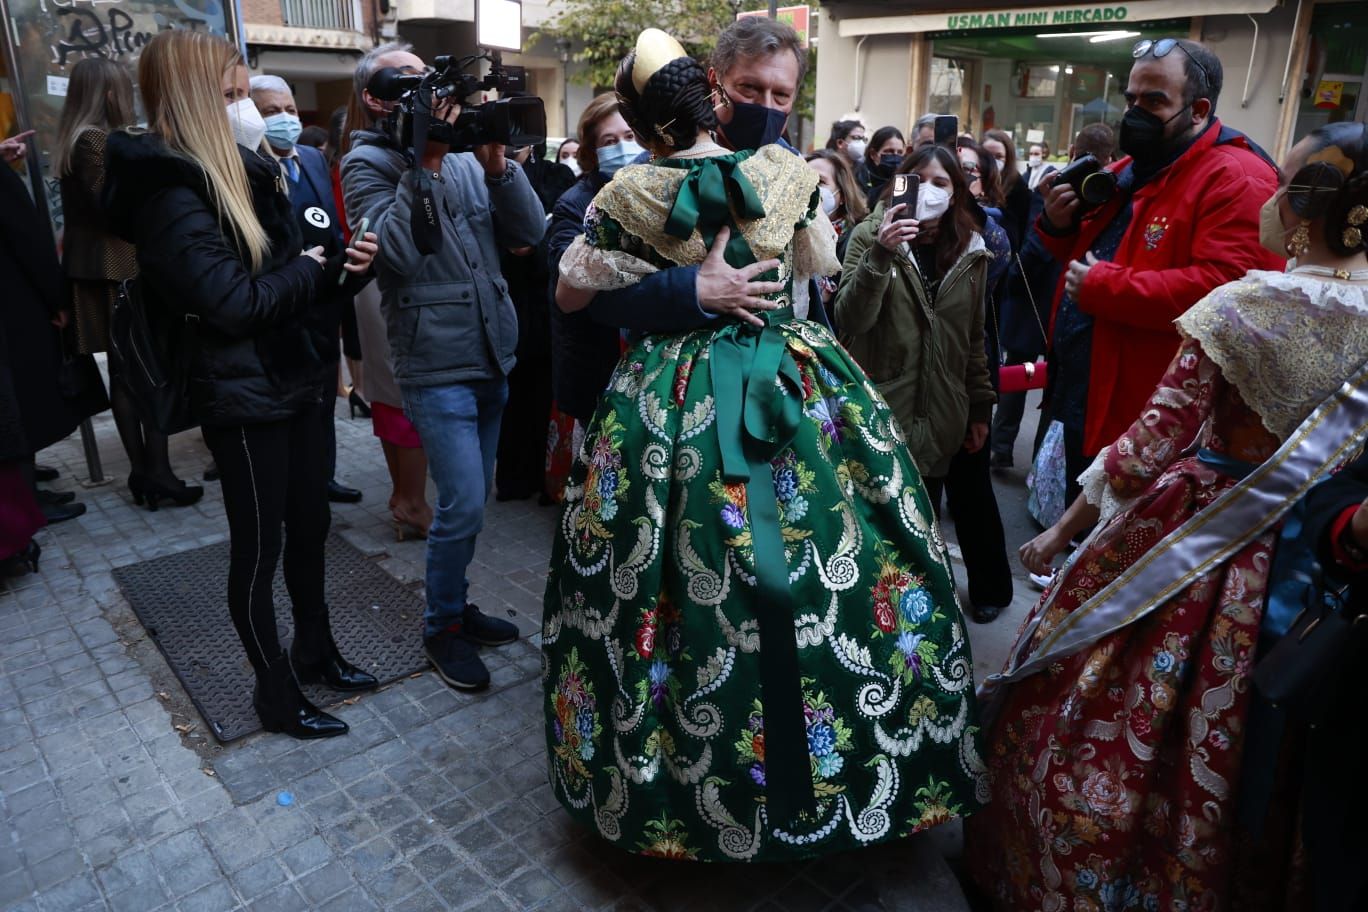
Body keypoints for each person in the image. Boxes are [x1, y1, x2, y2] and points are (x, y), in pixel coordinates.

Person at [545, 28, 984, 863]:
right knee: (695, 571)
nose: (769, 109)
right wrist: (688, 288)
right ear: (715, 85)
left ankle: (791, 778)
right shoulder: (655, 185)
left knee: (799, 566)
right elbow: (571, 292)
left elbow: (812, 270)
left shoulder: (736, 178)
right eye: (755, 90)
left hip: (757, 391)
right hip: (717, 397)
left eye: (785, 97)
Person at [967, 119, 1368, 911]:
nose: (1271, 198)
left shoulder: (1242, 306)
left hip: (1205, 545)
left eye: (1284, 185)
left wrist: (1063, 527)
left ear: (1307, 207)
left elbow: (1156, 436)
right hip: (1325, 573)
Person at [104, 29, 379, 738]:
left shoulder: (245, 169)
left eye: (245, 92)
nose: (249, 108)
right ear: (194, 100)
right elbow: (233, 303)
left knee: (312, 528)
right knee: (258, 551)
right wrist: (313, 269)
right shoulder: (170, 192)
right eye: (230, 96)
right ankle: (275, 690)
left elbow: (289, 277)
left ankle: (316, 649)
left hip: (299, 380)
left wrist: (348, 268)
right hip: (242, 396)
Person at [342, 42, 544, 691]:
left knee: (472, 502)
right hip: (433, 363)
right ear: (374, 97)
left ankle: (455, 607)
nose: (424, 89)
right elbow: (398, 253)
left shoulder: (464, 158)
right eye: (405, 81)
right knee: (459, 503)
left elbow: (530, 233)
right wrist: (426, 162)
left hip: (491, 350)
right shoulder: (365, 161)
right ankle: (440, 628)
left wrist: (495, 163)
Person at [1035, 38, 1283, 517]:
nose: (1135, 112)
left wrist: (1105, 289)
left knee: (1120, 553)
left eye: (1154, 102)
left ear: (1199, 109)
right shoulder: (1134, 168)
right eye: (1131, 99)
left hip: (1151, 416)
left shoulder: (1237, 176)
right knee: (1081, 538)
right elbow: (1090, 250)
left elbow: (1231, 292)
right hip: (1089, 391)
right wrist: (1057, 225)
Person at [836, 146, 1012, 621]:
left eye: (942, 183)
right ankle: (878, 619)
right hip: (882, 409)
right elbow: (850, 317)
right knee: (883, 526)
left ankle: (921, 621)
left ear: (957, 193)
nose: (930, 192)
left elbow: (973, 340)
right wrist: (882, 252)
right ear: (898, 183)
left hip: (943, 413)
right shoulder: (868, 235)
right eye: (919, 179)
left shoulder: (973, 249)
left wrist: (979, 408)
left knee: (927, 524)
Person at [55, 56, 201, 511]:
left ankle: (148, 472)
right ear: (111, 93)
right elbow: (114, 207)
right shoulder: (97, 140)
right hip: (119, 268)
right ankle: (154, 471)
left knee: (125, 372)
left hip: (96, 268)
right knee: (146, 366)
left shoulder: (73, 139)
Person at [249, 74, 364, 506]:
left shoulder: (314, 161)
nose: (285, 119)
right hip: (280, 303)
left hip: (323, 302)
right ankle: (292, 486)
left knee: (322, 398)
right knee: (291, 404)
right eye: (271, 111)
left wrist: (348, 260)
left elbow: (329, 224)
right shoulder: (249, 169)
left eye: (290, 110)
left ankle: (324, 474)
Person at [991, 123, 1116, 471]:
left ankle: (1025, 459)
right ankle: (1010, 452)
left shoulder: (1110, 192)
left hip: (1057, 300)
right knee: (1032, 381)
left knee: (1043, 384)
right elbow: (1035, 244)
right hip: (1042, 299)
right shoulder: (1054, 189)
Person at [545, 94, 640, 494]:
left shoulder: (667, 188)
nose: (623, 147)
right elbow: (570, 290)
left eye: (631, 135)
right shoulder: (574, 205)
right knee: (596, 491)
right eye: (609, 140)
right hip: (597, 368)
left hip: (650, 373)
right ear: (590, 151)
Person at [493, 141, 575, 502]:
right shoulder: (480, 174)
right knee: (510, 398)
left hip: (547, 300)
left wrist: (534, 245)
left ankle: (548, 479)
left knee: (546, 392)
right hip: (502, 299)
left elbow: (565, 236)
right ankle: (513, 477)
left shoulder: (557, 175)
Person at [981, 129, 1031, 248]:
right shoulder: (972, 182)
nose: (992, 161)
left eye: (998, 156)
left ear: (1008, 159)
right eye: (987, 156)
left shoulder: (1019, 188)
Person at [855, 125, 906, 207]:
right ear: (873, 154)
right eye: (889, 151)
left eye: (899, 152)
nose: (895, 156)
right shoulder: (857, 179)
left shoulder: (904, 181)